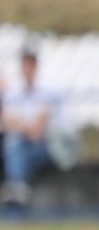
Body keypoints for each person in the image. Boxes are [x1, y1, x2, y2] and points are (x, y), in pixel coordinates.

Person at [1, 46, 63, 211]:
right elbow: (8, 121)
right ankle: (19, 189)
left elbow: (46, 124)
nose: (26, 69)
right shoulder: (13, 93)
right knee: (15, 148)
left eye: (29, 65)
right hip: (22, 144)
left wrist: (30, 127)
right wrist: (26, 128)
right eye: (24, 65)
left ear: (35, 66)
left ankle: (16, 187)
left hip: (44, 145)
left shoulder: (49, 91)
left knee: (13, 150)